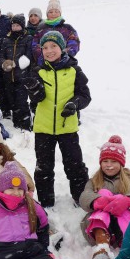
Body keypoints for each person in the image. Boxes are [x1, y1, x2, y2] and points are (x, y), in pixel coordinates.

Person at [24, 31, 91, 207]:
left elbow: (85, 96)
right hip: (43, 129)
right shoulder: (38, 71)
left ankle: (80, 198)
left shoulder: (74, 70)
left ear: (62, 48)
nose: (49, 50)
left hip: (67, 128)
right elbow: (36, 100)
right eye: (45, 47)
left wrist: (74, 104)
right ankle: (46, 202)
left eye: (53, 46)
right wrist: (34, 91)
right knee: (43, 168)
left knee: (75, 166)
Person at [79, 136, 130, 259]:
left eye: (113, 162)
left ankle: (128, 247)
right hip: (99, 225)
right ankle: (102, 247)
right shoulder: (94, 180)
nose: (109, 165)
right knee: (100, 211)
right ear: (100, 163)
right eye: (105, 161)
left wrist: (127, 201)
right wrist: (97, 201)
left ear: (121, 163)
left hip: (122, 219)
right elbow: (84, 196)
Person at [0, 13, 33, 131]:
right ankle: (16, 124)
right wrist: (4, 63)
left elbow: (28, 56)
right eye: (13, 25)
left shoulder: (27, 38)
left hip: (22, 77)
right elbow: (1, 56)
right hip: (8, 77)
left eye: (17, 26)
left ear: (22, 26)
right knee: (12, 102)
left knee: (22, 102)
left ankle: (26, 125)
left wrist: (15, 63)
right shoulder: (6, 40)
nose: (15, 28)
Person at [32, 0, 81, 66]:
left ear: (60, 13)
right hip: (45, 65)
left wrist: (65, 55)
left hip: (64, 65)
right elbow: (35, 45)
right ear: (47, 14)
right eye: (50, 12)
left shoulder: (68, 28)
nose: (53, 14)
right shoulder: (41, 28)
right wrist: (42, 58)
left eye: (56, 11)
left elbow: (74, 42)